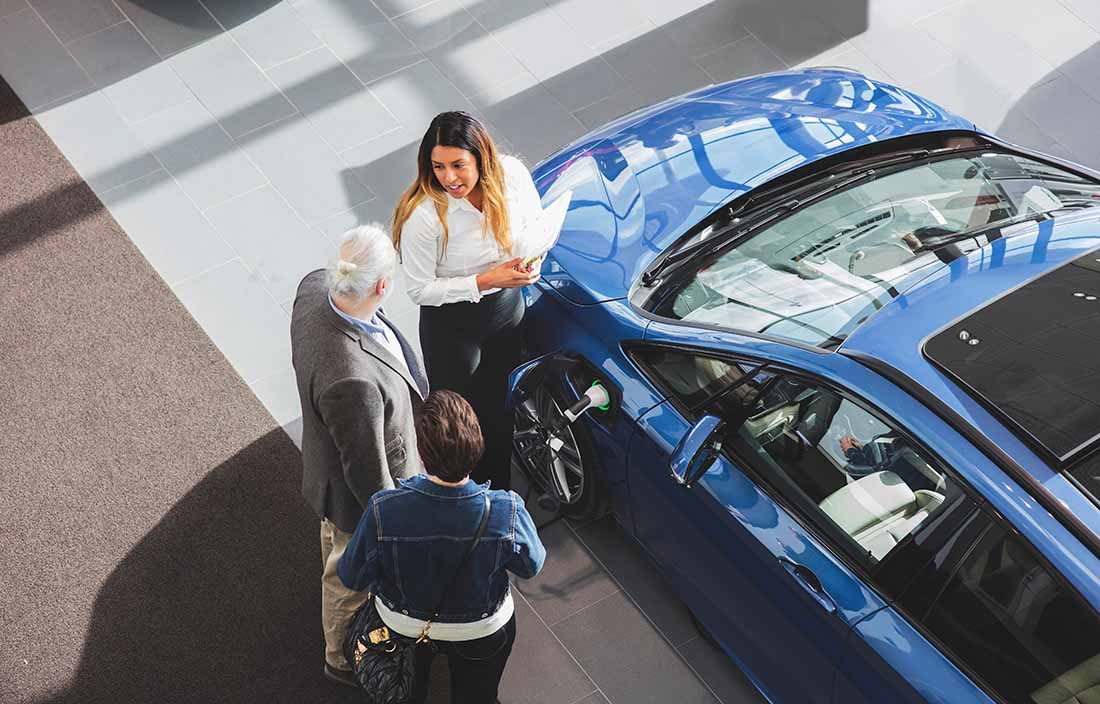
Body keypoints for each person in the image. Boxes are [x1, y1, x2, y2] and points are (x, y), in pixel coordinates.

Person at [338, 389, 546, 704]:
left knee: (407, 692)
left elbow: (351, 575)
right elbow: (531, 566)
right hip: (481, 628)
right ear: (477, 445)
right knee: (477, 697)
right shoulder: (507, 510)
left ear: (422, 453)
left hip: (403, 625)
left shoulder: (384, 509)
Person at [290, 224, 430, 687]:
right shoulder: (353, 382)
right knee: (348, 574)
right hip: (351, 490)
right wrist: (393, 524)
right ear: (382, 287)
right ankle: (341, 659)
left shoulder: (313, 288)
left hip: (324, 457)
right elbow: (367, 472)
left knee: (333, 545)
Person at [392, 110, 544, 490]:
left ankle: (501, 491)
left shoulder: (512, 177)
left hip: (506, 311)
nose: (448, 178)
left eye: (458, 165)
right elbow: (419, 289)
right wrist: (486, 279)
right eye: (438, 166)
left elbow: (536, 225)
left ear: (482, 157)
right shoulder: (425, 216)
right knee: (457, 423)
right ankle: (461, 495)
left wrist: (534, 259)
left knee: (501, 408)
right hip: (452, 327)